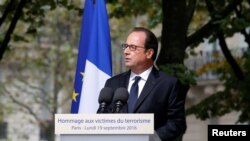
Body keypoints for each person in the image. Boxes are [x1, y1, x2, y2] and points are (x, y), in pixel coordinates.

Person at [104, 27, 188, 141]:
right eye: (126, 46)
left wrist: (151, 138)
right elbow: (104, 118)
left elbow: (177, 123)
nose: (126, 51)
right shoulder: (112, 83)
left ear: (149, 53)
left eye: (133, 47)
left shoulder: (168, 84)